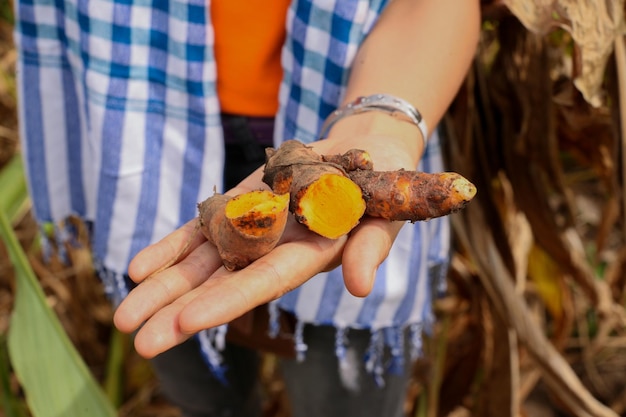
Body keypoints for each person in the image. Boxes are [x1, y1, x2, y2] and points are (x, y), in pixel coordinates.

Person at [14, 0, 480, 416]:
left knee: (342, 391)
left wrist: (382, 120)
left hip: (341, 101)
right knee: (196, 375)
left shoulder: (319, 177)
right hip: (143, 136)